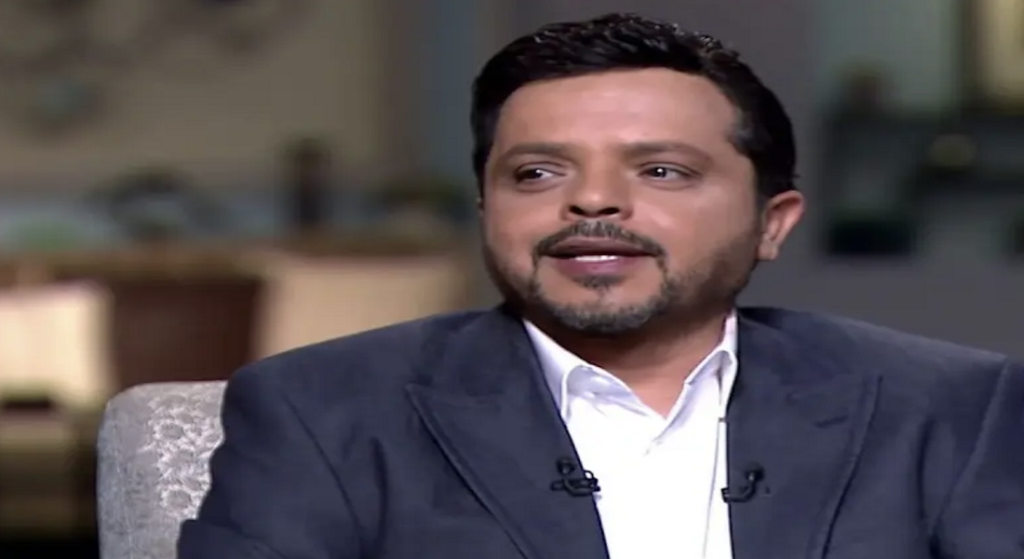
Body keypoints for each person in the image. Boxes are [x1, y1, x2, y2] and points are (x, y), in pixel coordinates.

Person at [178, 12, 1024, 559]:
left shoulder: (948, 405)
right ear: (488, 208)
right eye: (537, 173)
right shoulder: (319, 409)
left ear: (773, 222)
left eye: (661, 170)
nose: (591, 201)